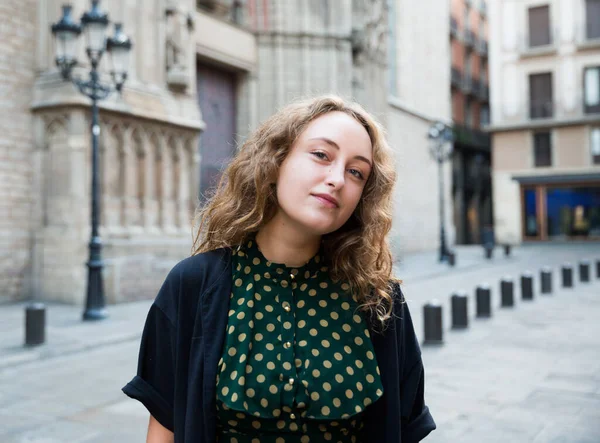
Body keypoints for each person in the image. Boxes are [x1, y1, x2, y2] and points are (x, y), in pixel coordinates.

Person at [122, 95, 435, 443]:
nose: (337, 179)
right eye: (321, 155)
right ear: (276, 160)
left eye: (356, 172)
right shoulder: (193, 284)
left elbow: (405, 427)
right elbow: (165, 426)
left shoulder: (378, 300)